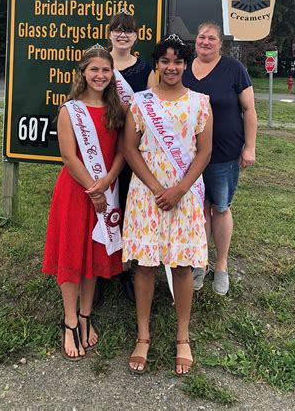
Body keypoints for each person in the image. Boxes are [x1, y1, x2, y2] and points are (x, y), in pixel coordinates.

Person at [123, 35, 213, 375]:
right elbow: (130, 148)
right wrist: (158, 187)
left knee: (181, 266)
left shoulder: (200, 103)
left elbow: (204, 151)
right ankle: (143, 336)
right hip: (147, 193)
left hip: (184, 194)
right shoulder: (140, 102)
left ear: (185, 65)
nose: (171, 67)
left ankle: (183, 337)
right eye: (164, 61)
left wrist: (179, 189)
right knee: (145, 266)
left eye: (177, 61)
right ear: (157, 65)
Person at [42, 47, 126, 361]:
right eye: (94, 70)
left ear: (112, 74)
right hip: (76, 191)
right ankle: (69, 320)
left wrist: (106, 183)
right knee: (71, 252)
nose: (100, 76)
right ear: (83, 73)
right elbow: (68, 156)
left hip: (106, 189)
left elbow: (121, 152)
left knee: (93, 253)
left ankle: (86, 314)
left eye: (106, 70)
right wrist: (94, 190)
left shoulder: (117, 110)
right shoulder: (69, 110)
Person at [183, 21, 257, 296]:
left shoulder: (234, 69)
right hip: (190, 156)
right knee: (199, 208)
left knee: (221, 207)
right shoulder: (185, 69)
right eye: (201, 37)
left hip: (224, 152)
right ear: (196, 41)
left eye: (212, 38)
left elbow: (249, 110)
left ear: (220, 44)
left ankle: (222, 264)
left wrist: (250, 147)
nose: (205, 42)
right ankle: (199, 262)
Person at [104, 11, 158, 303]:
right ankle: (101, 269)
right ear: (109, 33)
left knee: (125, 206)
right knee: (101, 207)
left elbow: (150, 113)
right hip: (101, 146)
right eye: (117, 30)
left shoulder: (145, 69)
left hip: (132, 150)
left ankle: (124, 269)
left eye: (128, 31)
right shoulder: (99, 63)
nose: (122, 35)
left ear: (136, 36)